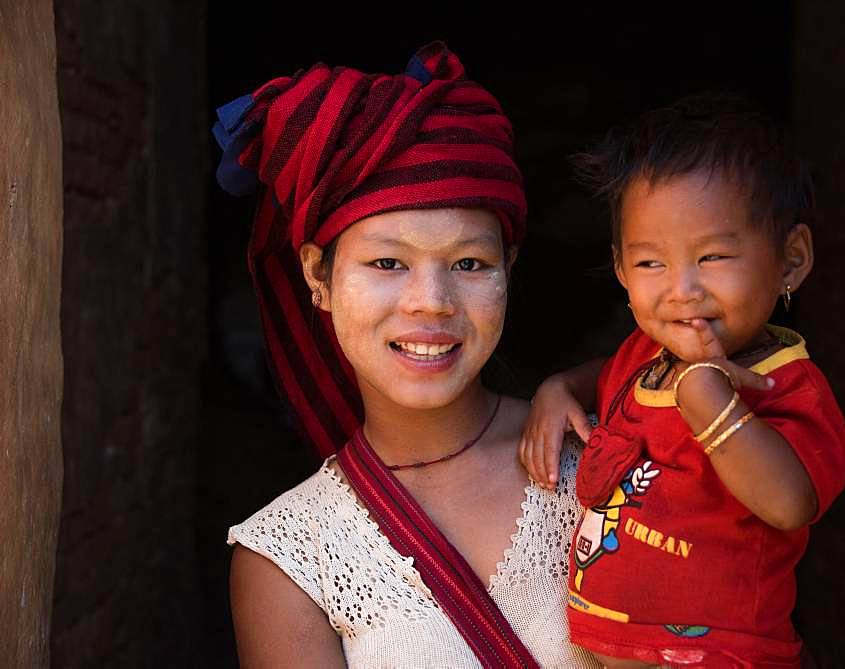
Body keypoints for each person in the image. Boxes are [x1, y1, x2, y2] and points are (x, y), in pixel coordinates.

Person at [214, 42, 599, 668]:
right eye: (387, 262)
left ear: (510, 269)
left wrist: (582, 384)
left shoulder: (605, 458)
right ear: (318, 277)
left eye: (469, 263)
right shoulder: (289, 559)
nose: (431, 302)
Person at [519, 94, 845, 667]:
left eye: (714, 256)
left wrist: (707, 396)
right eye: (651, 263)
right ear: (622, 269)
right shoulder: (644, 356)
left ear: (790, 259)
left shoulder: (787, 385)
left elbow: (790, 502)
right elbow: (606, 376)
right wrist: (560, 390)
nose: (682, 290)